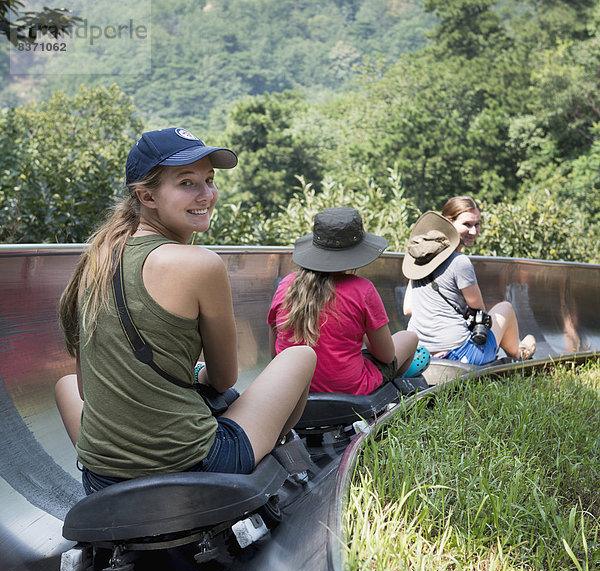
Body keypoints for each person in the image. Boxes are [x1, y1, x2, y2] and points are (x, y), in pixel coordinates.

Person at [55, 127, 316, 494]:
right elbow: (224, 379)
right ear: (146, 195)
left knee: (64, 384)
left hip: (102, 479)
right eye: (187, 183)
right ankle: (269, 465)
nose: (207, 194)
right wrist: (197, 376)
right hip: (195, 462)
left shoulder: (94, 262)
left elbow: (85, 388)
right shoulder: (200, 264)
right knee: (300, 356)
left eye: (209, 180)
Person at [267, 206, 425, 396]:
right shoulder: (363, 289)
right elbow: (386, 355)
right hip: (349, 388)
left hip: (293, 388)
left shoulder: (286, 286)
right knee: (409, 338)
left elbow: (275, 354)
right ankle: (391, 394)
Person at [402, 195, 536, 365]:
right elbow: (479, 310)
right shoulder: (460, 262)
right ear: (448, 223)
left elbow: (408, 309)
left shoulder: (419, 259)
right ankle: (519, 353)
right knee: (505, 308)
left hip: (420, 356)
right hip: (459, 357)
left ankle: (519, 350)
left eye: (477, 224)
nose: (473, 231)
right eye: (467, 224)